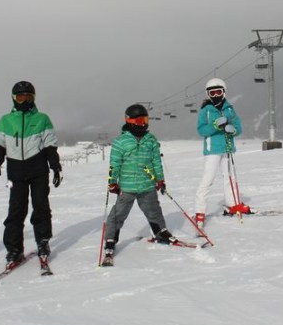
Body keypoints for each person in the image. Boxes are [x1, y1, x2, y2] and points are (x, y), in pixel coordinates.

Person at [0, 81, 62, 266]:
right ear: (14, 98)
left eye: (28, 96)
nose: (24, 99)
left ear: (33, 98)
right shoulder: (5, 120)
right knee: (16, 210)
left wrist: (55, 167)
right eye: (20, 96)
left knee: (41, 206)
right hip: (16, 171)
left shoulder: (42, 119)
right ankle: (14, 249)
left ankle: (42, 242)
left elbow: (50, 146)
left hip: (38, 169)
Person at [101, 103, 177, 266]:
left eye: (145, 120)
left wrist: (160, 179)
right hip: (127, 187)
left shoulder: (150, 140)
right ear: (129, 121)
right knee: (118, 214)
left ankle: (160, 232)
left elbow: (156, 161)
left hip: (147, 184)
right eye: (138, 121)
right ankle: (110, 241)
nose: (142, 124)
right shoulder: (120, 142)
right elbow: (114, 164)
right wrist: (112, 182)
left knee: (154, 210)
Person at [193, 78, 247, 226]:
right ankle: (200, 211)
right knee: (208, 179)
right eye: (212, 92)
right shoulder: (206, 110)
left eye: (219, 91)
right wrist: (215, 126)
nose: (216, 95)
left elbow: (238, 127)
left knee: (230, 177)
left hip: (228, 147)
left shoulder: (229, 109)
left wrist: (233, 130)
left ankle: (232, 204)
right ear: (208, 94)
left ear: (224, 92)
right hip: (213, 149)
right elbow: (201, 130)